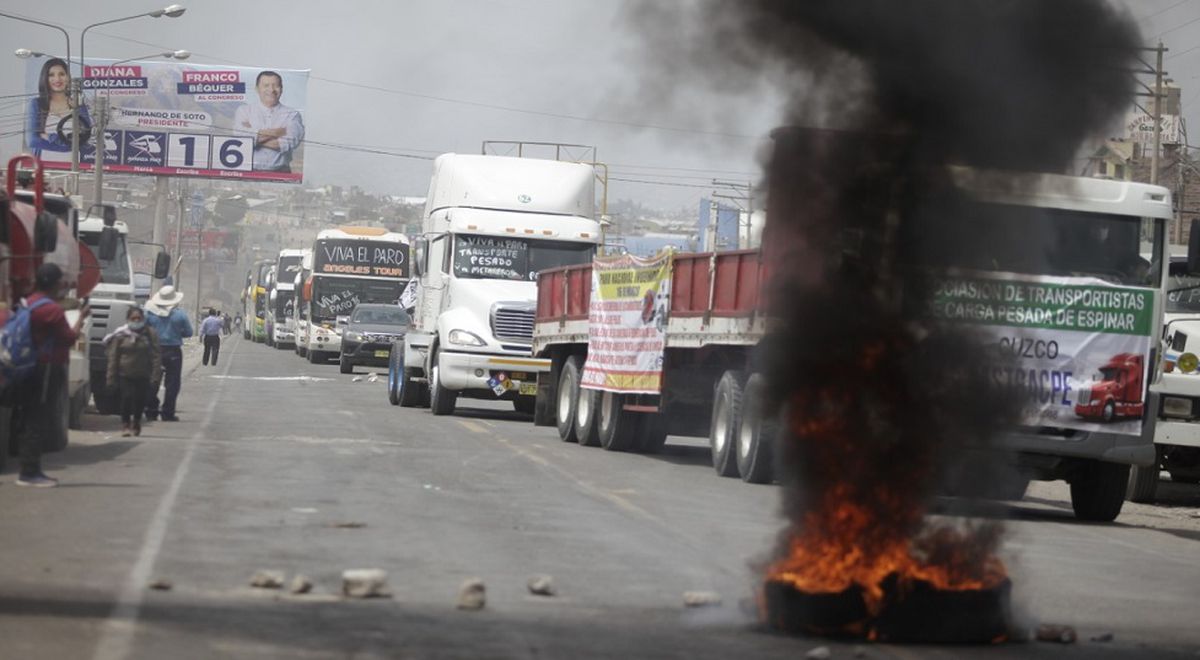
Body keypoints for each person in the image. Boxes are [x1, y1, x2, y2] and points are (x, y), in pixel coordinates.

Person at [13, 263, 89, 487]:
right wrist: (81, 317)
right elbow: (67, 338)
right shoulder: (51, 310)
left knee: (28, 416)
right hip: (45, 369)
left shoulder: (28, 302)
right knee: (36, 419)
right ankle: (30, 472)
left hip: (26, 365)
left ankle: (28, 469)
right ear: (56, 283)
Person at [232, 70, 304, 173]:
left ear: (281, 89)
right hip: (248, 172)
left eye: (276, 86)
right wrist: (278, 132)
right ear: (257, 89)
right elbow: (240, 138)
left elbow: (289, 142)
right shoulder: (244, 111)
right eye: (266, 85)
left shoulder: (293, 114)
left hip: (281, 172)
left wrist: (253, 136)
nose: (271, 90)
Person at [105, 307, 161, 437]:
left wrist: (155, 376)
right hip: (125, 374)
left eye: (139, 318)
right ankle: (125, 424)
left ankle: (136, 422)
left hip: (143, 374)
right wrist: (110, 378)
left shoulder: (150, 334)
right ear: (128, 320)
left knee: (140, 400)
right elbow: (113, 357)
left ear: (143, 319)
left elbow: (156, 356)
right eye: (133, 318)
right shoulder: (121, 335)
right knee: (126, 398)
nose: (136, 321)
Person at [25, 57, 92, 160]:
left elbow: (86, 139)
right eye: (51, 75)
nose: (57, 79)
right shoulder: (37, 104)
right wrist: (68, 145)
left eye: (61, 74)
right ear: (45, 78)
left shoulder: (78, 105)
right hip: (43, 166)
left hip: (73, 167)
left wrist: (51, 137)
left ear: (68, 77)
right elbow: (32, 140)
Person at [144, 285, 192, 421]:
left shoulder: (150, 313)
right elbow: (188, 332)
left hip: (153, 350)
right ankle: (167, 412)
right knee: (172, 383)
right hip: (173, 352)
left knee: (152, 380)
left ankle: (151, 410)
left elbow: (143, 329)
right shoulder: (180, 315)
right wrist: (176, 333)